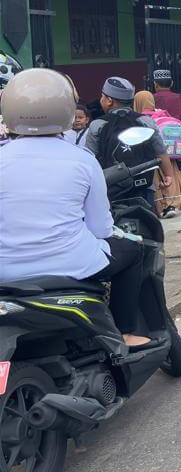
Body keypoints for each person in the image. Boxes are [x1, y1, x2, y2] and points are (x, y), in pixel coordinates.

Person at [0, 69, 151, 347]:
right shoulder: (82, 160)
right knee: (134, 250)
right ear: (68, 109)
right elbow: (101, 228)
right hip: (72, 264)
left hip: (6, 273)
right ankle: (125, 332)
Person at [84, 77, 178, 211]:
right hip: (144, 186)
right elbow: (160, 150)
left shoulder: (98, 125)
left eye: (102, 96)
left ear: (109, 101)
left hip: (110, 189)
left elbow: (89, 158)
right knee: (147, 219)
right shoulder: (145, 121)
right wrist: (168, 175)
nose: (101, 100)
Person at [133, 90, 181, 218]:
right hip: (169, 155)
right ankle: (172, 204)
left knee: (156, 180)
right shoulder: (162, 113)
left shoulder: (140, 119)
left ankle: (161, 207)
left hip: (152, 157)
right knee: (171, 178)